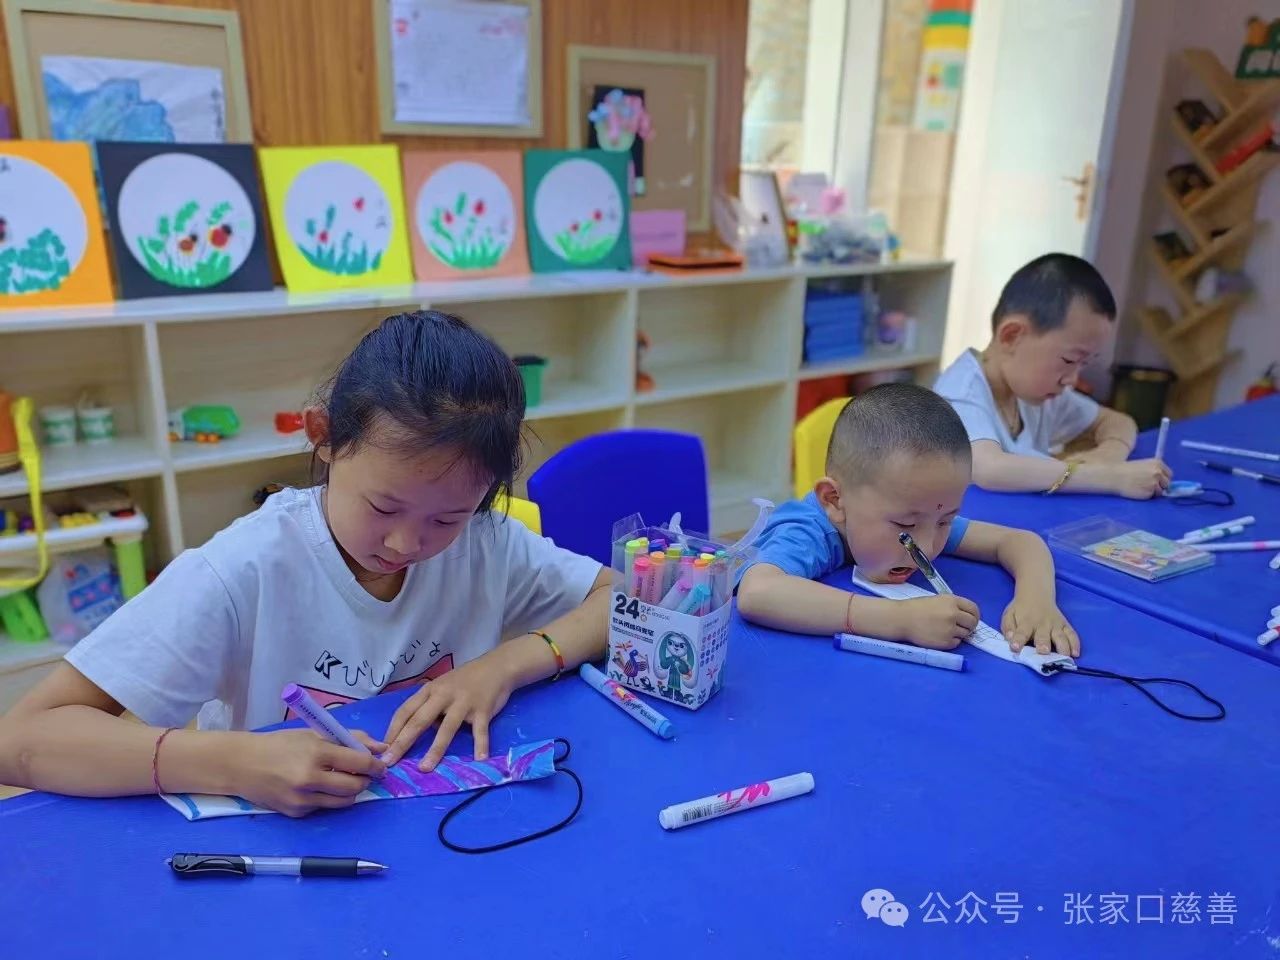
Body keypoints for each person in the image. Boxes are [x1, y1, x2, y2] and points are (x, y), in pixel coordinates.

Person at [0, 310, 610, 816]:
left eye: (447, 518)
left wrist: (504, 665)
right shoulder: (244, 569)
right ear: (325, 435)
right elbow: (21, 739)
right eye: (383, 506)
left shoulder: (485, 540)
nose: (406, 543)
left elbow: (624, 599)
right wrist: (234, 763)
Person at [736, 383, 1079, 656]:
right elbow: (758, 593)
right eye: (905, 527)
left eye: (946, 521)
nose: (926, 547)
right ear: (835, 500)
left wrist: (1036, 600)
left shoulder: (920, 515)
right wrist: (900, 620)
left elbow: (1020, 541)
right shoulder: (805, 531)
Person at [934, 253, 1170, 498]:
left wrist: (1108, 456)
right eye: (1069, 360)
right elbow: (990, 468)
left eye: (1083, 364)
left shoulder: (1034, 390)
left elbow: (1119, 422)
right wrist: (1110, 477)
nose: (1072, 379)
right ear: (1012, 336)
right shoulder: (959, 393)